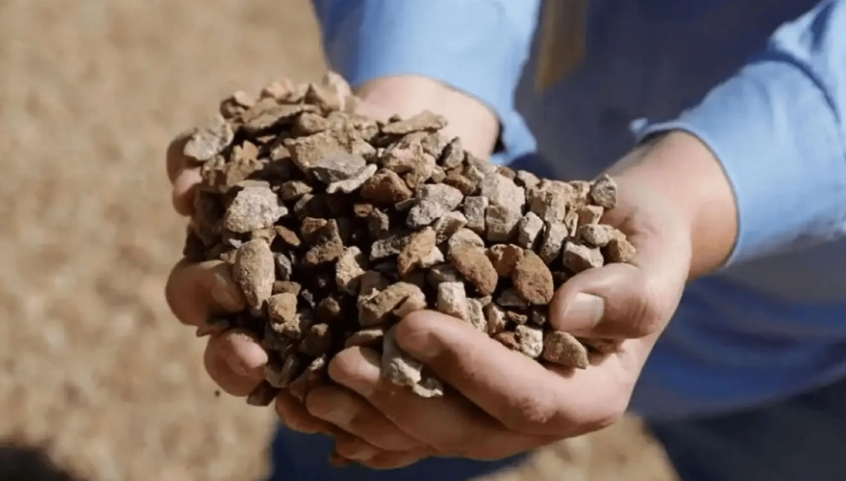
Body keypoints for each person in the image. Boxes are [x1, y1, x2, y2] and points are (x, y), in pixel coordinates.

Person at [163, 0, 846, 480]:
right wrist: (425, 88)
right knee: (344, 426)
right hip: (510, 176)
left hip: (798, 342)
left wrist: (691, 194)